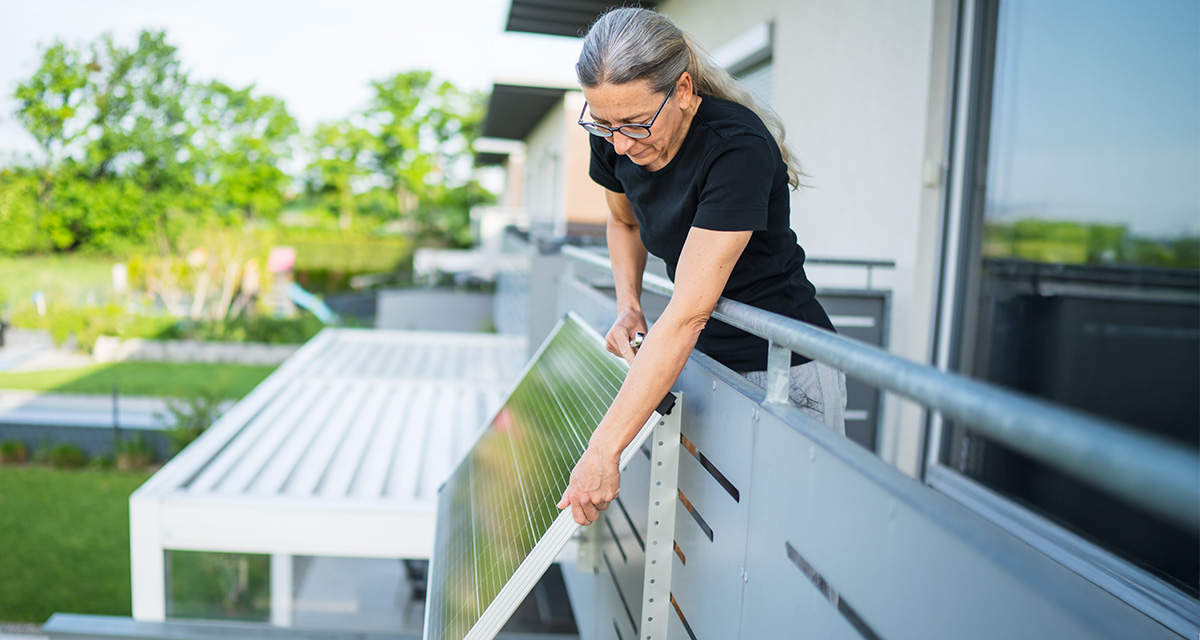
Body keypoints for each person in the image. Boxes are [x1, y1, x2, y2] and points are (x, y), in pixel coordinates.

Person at [556, 8, 847, 527]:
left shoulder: (737, 147)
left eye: (635, 123)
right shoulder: (613, 132)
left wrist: (604, 450)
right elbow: (623, 224)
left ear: (684, 90)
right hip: (701, 358)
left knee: (795, 542)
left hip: (785, 368)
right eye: (603, 123)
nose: (619, 143)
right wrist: (628, 307)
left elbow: (689, 310)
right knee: (715, 538)